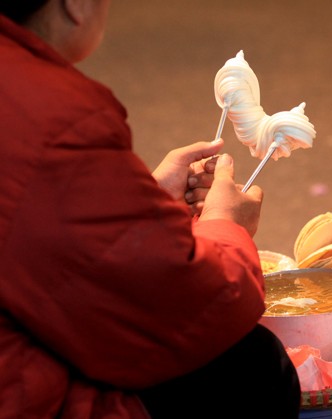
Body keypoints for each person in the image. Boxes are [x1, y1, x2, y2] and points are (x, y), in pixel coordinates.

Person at [0, 0, 301, 418]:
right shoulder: (51, 114)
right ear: (75, 5)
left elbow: (41, 232)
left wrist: (146, 201)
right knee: (250, 365)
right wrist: (226, 225)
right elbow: (196, 308)